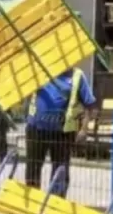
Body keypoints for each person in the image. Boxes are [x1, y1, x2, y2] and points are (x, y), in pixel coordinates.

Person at [25, 67, 97, 198]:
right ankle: (32, 201)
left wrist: (83, 129)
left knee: (60, 170)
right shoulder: (39, 68)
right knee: (32, 168)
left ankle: (56, 202)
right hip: (36, 129)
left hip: (62, 132)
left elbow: (90, 105)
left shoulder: (77, 76)